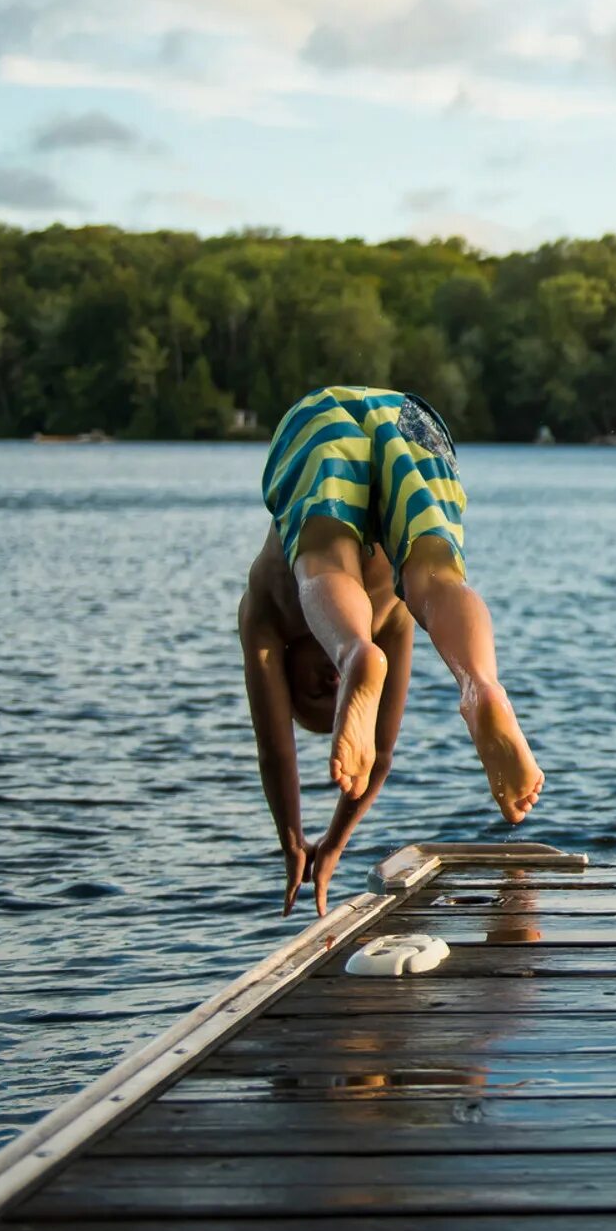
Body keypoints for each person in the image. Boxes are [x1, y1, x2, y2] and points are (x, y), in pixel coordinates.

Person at [241, 385, 542, 914]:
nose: (330, 687)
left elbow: (275, 750)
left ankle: (355, 649)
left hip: (318, 421)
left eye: (317, 691)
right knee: (435, 578)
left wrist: (293, 838)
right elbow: (377, 757)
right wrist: (333, 841)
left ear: (286, 668)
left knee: (325, 559)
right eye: (336, 692)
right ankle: (479, 684)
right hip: (406, 417)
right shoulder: (392, 619)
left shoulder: (264, 612)